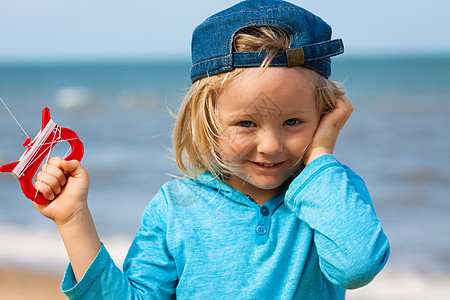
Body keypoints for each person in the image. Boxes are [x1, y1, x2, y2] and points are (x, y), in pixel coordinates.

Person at [34, 0, 390, 299]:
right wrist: (73, 219)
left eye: (293, 122)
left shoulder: (329, 190)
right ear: (206, 120)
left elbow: (356, 267)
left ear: (325, 116)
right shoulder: (175, 207)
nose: (270, 146)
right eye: (246, 124)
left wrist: (321, 155)